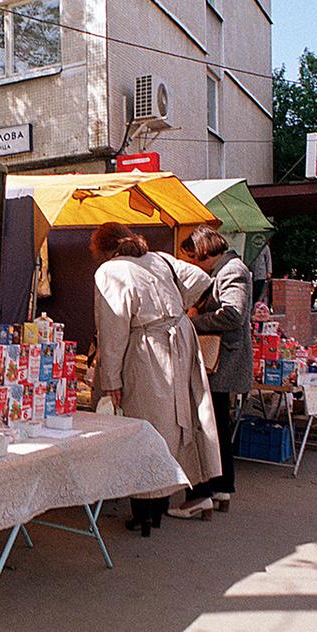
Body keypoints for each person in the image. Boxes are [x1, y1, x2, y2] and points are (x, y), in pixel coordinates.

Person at [90, 222, 222, 526]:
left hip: (147, 349)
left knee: (145, 426)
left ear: (102, 248)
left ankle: (145, 512)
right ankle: (160, 505)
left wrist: (110, 380)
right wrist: (177, 310)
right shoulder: (159, 258)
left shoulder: (110, 271)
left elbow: (113, 330)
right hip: (179, 342)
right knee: (175, 422)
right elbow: (200, 278)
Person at [181, 227, 253, 514]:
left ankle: (205, 493)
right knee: (218, 424)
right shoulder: (226, 270)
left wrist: (194, 323)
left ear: (204, 251)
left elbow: (233, 314)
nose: (192, 263)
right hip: (222, 361)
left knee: (209, 426)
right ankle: (222, 488)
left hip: (222, 360)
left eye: (193, 257)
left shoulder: (232, 270)